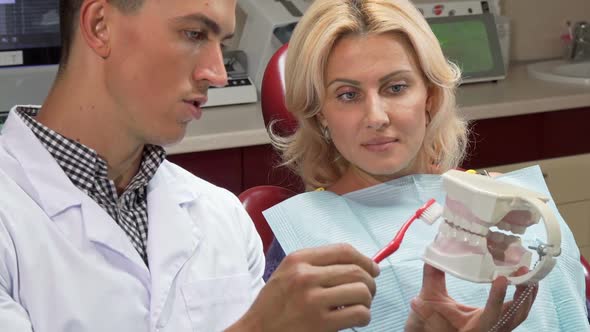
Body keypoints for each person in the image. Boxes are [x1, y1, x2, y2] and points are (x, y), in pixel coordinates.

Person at [0, 0, 382, 331]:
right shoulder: (11, 214)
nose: (217, 74)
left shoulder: (223, 216)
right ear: (101, 25)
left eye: (222, 44)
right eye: (195, 34)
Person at [265, 0, 589, 330]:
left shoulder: (518, 206)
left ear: (430, 96)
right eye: (348, 95)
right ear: (320, 112)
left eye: (396, 87)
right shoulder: (301, 244)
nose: (376, 117)